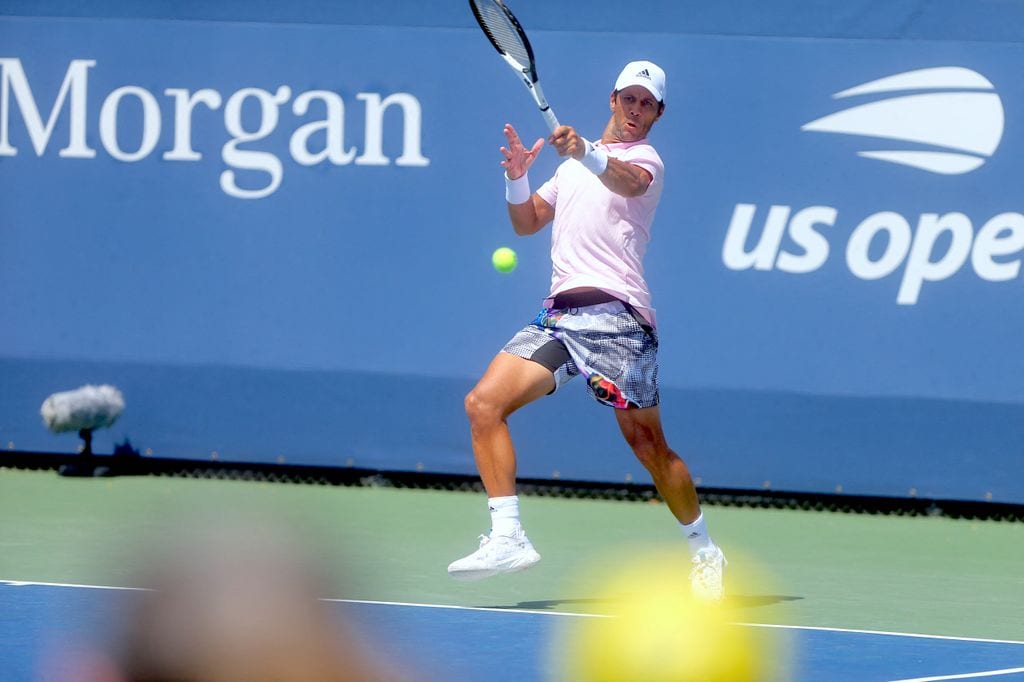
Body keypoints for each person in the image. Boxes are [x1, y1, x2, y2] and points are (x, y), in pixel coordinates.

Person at [447, 61, 727, 600]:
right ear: (613, 98)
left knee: (648, 445)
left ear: (658, 114)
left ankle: (703, 548)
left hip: (618, 316)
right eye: (630, 99)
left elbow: (623, 179)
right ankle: (508, 536)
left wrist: (585, 152)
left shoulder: (646, 160)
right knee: (483, 404)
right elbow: (527, 221)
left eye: (648, 105)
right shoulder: (572, 168)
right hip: (559, 314)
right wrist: (517, 176)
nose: (636, 111)